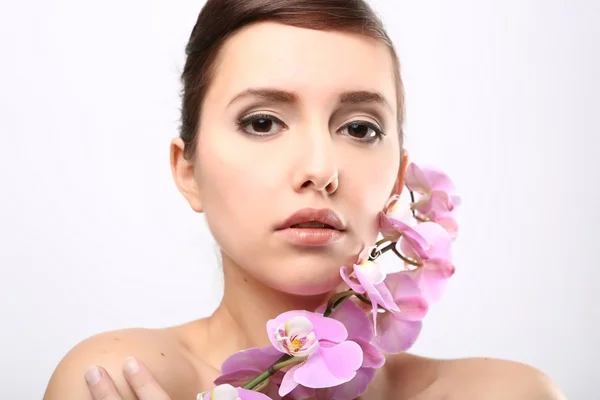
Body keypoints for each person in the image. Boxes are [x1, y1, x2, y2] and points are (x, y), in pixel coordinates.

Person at [42, 0, 566, 399]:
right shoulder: (119, 380)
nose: (320, 168)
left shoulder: (503, 392)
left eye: (359, 128)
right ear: (188, 170)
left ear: (400, 177)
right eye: (263, 122)